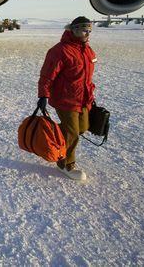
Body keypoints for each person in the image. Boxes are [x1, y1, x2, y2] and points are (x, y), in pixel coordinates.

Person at [37, 16, 97, 181]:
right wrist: (43, 94)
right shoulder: (60, 50)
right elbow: (47, 75)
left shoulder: (87, 50)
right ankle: (65, 164)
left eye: (90, 30)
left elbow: (86, 77)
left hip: (83, 98)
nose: (88, 33)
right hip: (65, 98)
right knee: (72, 133)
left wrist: (90, 94)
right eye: (85, 30)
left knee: (82, 128)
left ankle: (51, 134)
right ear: (74, 30)